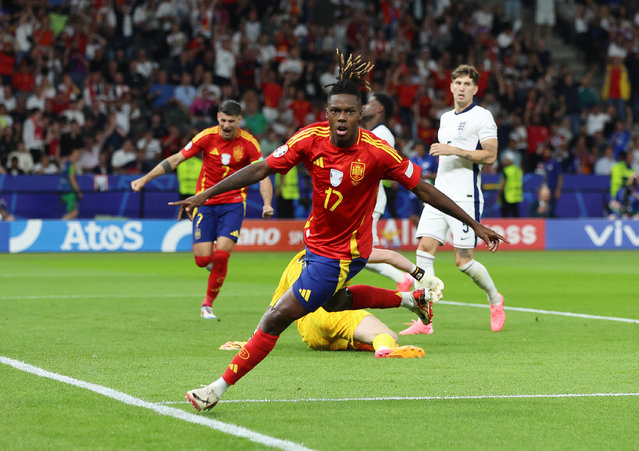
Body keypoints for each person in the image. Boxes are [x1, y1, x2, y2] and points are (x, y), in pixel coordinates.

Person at [170, 51, 505, 412]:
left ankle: (215, 390)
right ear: (326, 113)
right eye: (335, 111)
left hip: (343, 254)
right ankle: (410, 299)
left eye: (349, 111)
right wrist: (204, 195)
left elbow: (424, 188)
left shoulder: (378, 152)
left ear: (361, 114)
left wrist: (474, 225)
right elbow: (259, 169)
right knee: (334, 302)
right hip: (316, 245)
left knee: (275, 317)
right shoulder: (309, 139)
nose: (341, 118)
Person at [131, 100, 274, 319]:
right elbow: (176, 159)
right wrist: (145, 179)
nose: (226, 125)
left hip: (233, 203)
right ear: (218, 117)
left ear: (238, 120)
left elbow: (261, 174)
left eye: (231, 121)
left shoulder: (249, 143)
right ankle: (212, 259)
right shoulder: (206, 137)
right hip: (205, 203)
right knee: (202, 261)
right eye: (223, 120)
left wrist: (266, 203)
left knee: (223, 255)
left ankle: (207, 304)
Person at [410, 64, 505, 336]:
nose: (462, 88)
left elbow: (490, 156)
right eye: (458, 83)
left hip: (465, 197)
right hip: (439, 195)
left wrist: (455, 150)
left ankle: (495, 300)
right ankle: (425, 320)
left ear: (475, 88)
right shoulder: (445, 118)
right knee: (424, 250)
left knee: (463, 262)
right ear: (450, 86)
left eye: (467, 84)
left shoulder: (483, 117)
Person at [221, 248, 444, 358]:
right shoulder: (345, 249)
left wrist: (250, 341)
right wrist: (420, 274)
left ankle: (360, 342)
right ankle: (385, 349)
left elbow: (276, 306)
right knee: (387, 336)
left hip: (309, 331)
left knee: (346, 337)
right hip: (334, 311)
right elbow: (390, 257)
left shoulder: (298, 258)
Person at [360, 91, 413, 291]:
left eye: (370, 103)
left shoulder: (383, 134)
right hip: (363, 199)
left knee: (363, 254)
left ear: (380, 109)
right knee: (360, 253)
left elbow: (378, 167)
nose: (365, 106)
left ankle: (405, 278)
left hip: (370, 199)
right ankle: (404, 277)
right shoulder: (369, 132)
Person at [498, 151, 523, 217]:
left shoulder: (506, 170)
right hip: (516, 195)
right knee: (516, 214)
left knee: (505, 215)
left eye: (505, 160)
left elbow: (503, 183)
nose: (503, 161)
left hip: (507, 195)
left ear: (510, 160)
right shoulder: (518, 170)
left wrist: (499, 194)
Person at [60, 148, 83, 220]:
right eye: (75, 155)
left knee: (73, 214)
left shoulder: (66, 164)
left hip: (63, 191)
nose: (77, 157)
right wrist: (78, 191)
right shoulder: (71, 165)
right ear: (70, 156)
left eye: (78, 155)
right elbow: (72, 178)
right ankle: (58, 226)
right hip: (69, 193)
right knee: (74, 213)